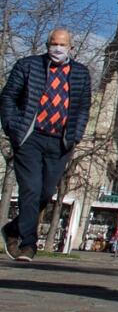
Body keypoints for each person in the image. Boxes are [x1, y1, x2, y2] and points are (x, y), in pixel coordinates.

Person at [1, 28, 93, 262]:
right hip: (30, 137)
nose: (58, 48)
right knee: (31, 189)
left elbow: (83, 107)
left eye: (62, 44)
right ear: (47, 45)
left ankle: (12, 229)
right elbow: (8, 96)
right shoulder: (27, 66)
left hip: (60, 141)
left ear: (71, 47)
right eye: (54, 43)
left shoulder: (81, 74)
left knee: (45, 192)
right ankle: (28, 244)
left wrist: (76, 135)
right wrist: (12, 126)